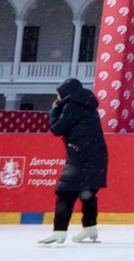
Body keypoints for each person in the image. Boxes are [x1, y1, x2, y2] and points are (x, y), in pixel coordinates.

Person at [40, 77, 107, 245]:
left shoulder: (72, 106)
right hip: (97, 156)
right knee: (88, 194)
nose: (58, 99)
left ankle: (59, 232)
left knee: (65, 193)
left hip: (79, 157)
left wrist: (54, 111)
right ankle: (90, 228)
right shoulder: (89, 106)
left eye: (59, 95)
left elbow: (57, 129)